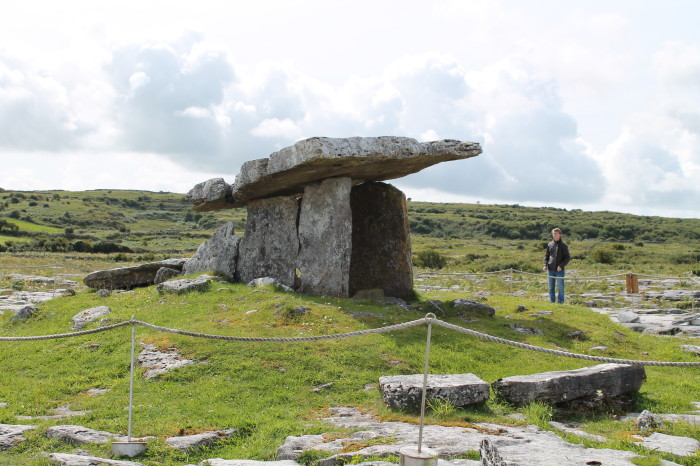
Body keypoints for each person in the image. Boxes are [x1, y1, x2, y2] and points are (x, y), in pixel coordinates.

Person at [543, 227, 570, 303]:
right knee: (551, 287)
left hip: (559, 270)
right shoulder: (550, 245)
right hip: (550, 269)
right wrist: (545, 265)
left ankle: (560, 303)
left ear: (560, 235)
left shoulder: (564, 246)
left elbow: (567, 258)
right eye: (553, 234)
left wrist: (561, 266)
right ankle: (552, 302)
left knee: (561, 288)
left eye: (556, 233)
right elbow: (547, 256)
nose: (554, 235)